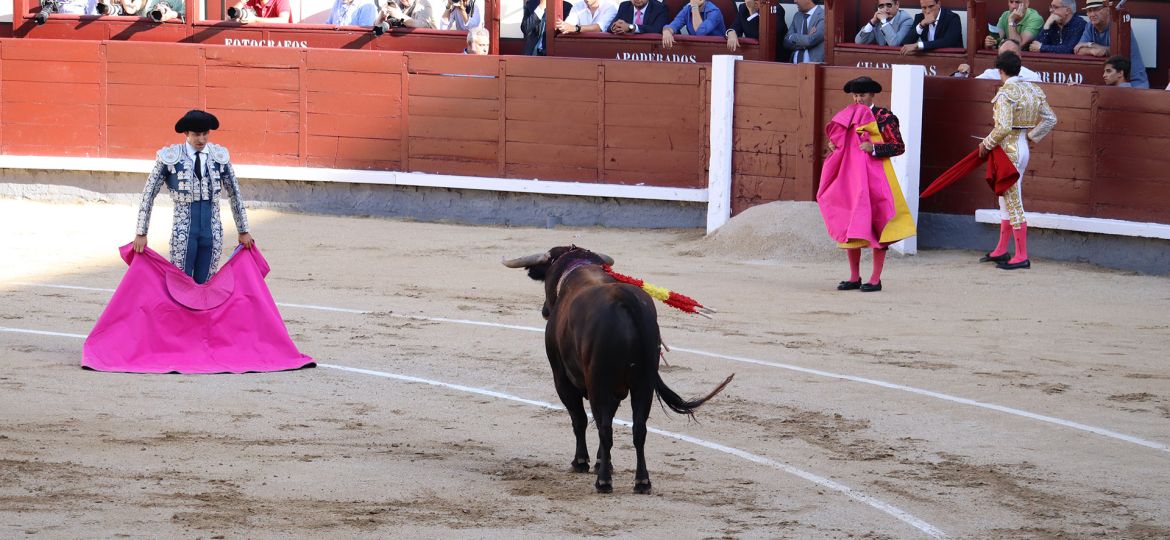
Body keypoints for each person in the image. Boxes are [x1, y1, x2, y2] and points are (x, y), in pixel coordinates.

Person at [818, 76, 915, 292]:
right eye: (854, 95)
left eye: (861, 95)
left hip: (877, 178)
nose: (857, 99)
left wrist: (875, 148)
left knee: (878, 224)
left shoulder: (884, 117)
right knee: (852, 222)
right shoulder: (848, 115)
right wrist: (835, 147)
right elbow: (840, 143)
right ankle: (854, 277)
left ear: (872, 95)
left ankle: (875, 278)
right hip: (853, 179)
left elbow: (898, 147)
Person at [133, 110, 253, 285]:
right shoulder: (170, 157)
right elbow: (148, 194)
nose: (202, 140)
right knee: (180, 284)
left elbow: (235, 193)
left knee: (206, 284)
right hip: (183, 231)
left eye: (205, 134)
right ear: (186, 133)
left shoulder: (219, 156)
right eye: (197, 134)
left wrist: (243, 230)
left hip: (212, 231)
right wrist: (141, 232)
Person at [977, 52, 1057, 270]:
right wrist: (1031, 137)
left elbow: (1002, 128)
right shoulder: (1032, 89)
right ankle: (1001, 249)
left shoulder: (1006, 93)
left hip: (1008, 151)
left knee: (1013, 201)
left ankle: (1021, 255)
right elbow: (1051, 119)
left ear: (1000, 71)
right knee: (1005, 197)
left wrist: (986, 144)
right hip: (1022, 146)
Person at [1074, 0, 1147, 88]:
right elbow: (1078, 49)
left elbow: (1116, 53)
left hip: (1133, 82)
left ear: (1108, 9)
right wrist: (1093, 48)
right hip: (1109, 83)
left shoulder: (1119, 25)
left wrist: (1099, 49)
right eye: (1089, 11)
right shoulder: (1090, 26)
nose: (1092, 14)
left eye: (1097, 9)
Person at [954, 39, 1042, 81]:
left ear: (1020, 57)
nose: (1007, 59)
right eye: (1003, 55)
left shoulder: (1032, 77)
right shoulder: (989, 74)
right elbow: (968, 87)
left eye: (1011, 55)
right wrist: (962, 74)